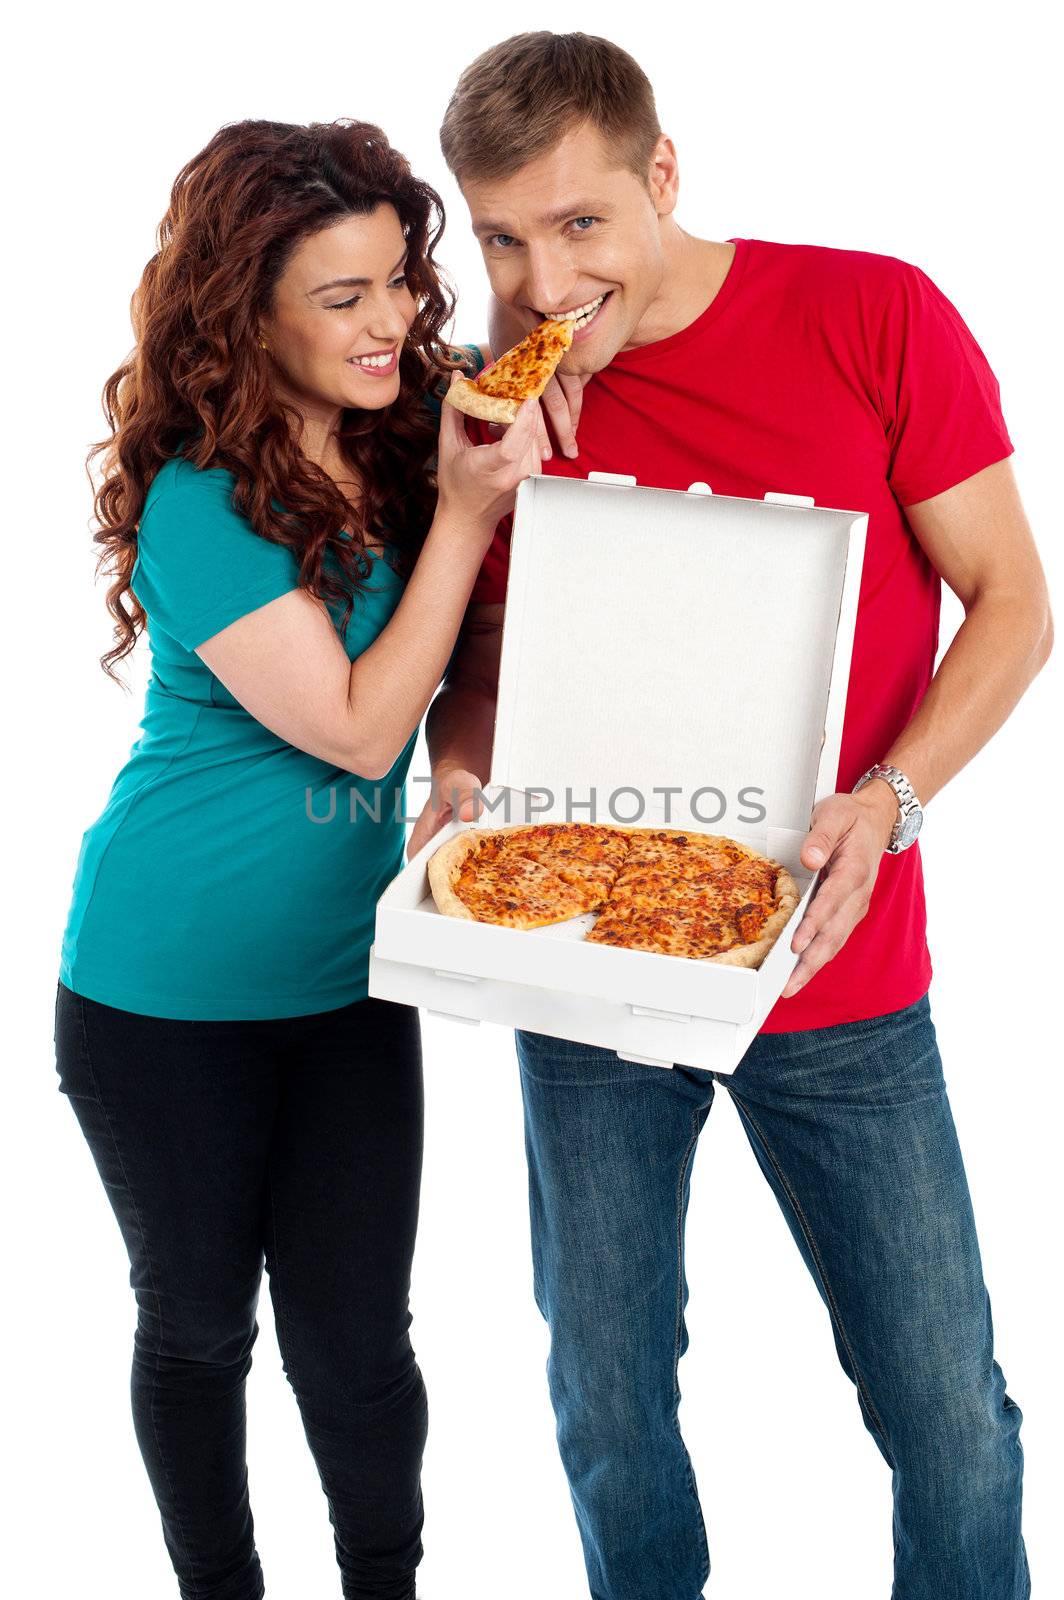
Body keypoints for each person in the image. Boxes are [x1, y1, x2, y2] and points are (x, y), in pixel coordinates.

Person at [411, 32, 1052, 1599]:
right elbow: (483, 664)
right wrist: (459, 779)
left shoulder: (870, 314)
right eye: (500, 236)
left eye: (579, 226)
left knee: (946, 1412)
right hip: (590, 965)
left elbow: (1014, 604)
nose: (545, 283)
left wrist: (892, 801)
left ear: (665, 180)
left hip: (842, 963)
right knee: (611, 1403)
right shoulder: (500, 405)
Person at [54, 117, 543, 1600]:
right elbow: (347, 727)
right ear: (244, 309)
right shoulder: (200, 499)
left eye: (398, 279)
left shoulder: (405, 438)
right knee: (199, 1327)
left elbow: (454, 677)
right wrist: (464, 516)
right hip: (160, 996)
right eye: (343, 298)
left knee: (358, 1339)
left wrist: (460, 769)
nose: (392, 320)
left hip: (346, 984)